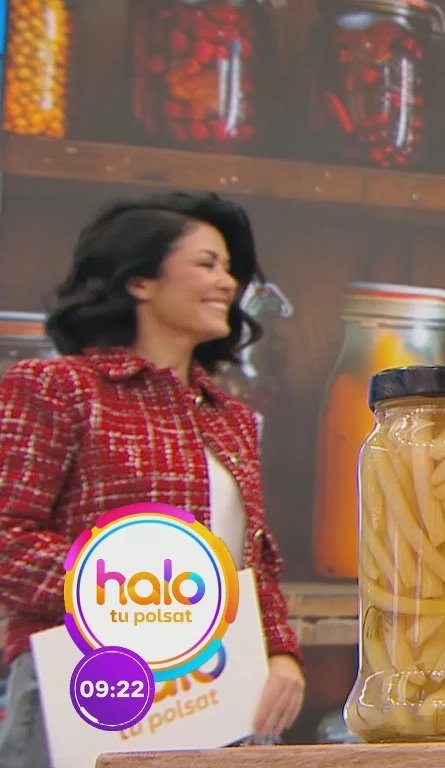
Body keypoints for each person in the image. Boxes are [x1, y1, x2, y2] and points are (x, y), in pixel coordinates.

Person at [0, 192, 306, 766]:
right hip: (84, 690)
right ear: (140, 280)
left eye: (229, 269)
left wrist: (280, 653)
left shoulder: (232, 419)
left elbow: (255, 563)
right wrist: (143, 604)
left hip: (219, 694)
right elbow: (8, 539)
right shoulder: (56, 387)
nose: (227, 283)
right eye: (206, 263)